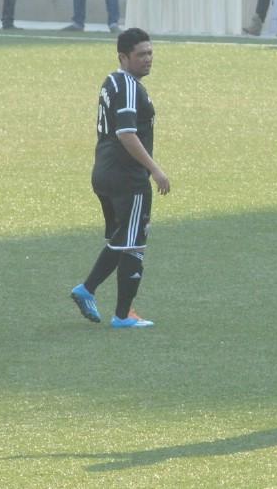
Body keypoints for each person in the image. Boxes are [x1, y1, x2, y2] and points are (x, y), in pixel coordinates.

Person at [69, 28, 170, 329]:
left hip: (104, 172)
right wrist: (154, 168)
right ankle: (119, 313)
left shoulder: (111, 82)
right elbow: (126, 133)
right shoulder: (127, 85)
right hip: (127, 177)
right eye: (141, 54)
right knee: (133, 242)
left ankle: (97, 296)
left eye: (150, 52)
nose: (148, 59)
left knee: (121, 238)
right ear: (123, 57)